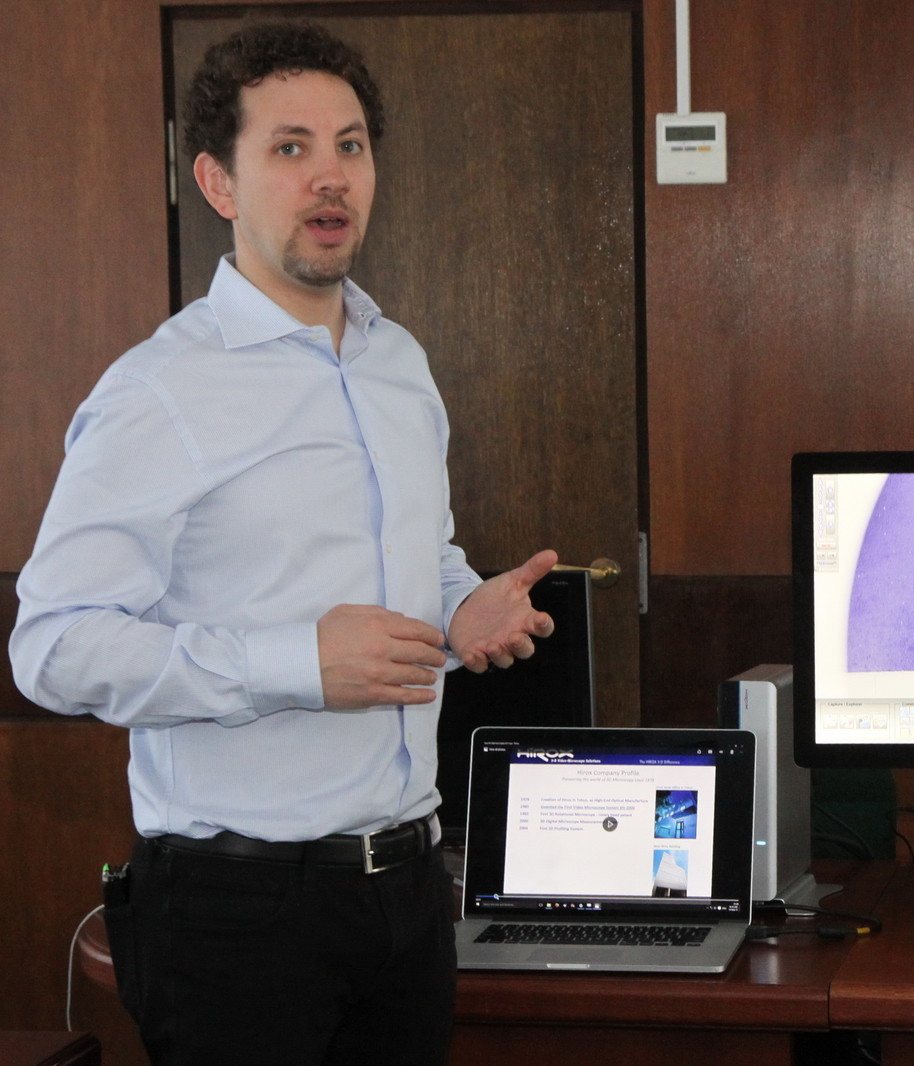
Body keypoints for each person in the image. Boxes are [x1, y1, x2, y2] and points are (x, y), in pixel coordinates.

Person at [8, 21, 554, 1066]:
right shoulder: (159, 390)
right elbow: (54, 647)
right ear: (218, 182)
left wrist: (461, 604)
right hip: (237, 914)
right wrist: (294, 664)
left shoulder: (399, 364)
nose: (330, 176)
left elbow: (422, 555)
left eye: (350, 145)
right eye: (290, 147)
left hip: (408, 890)